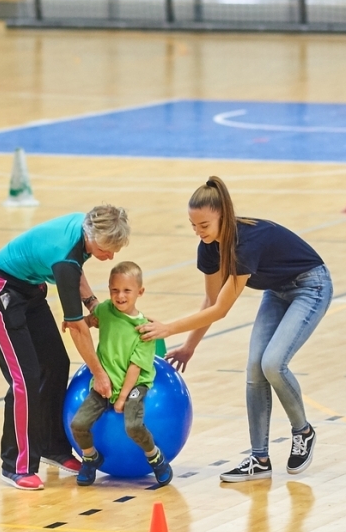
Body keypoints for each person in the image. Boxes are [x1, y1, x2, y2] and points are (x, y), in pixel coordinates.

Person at [139, 177, 332, 483]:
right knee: (255, 370)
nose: (198, 231)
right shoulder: (208, 248)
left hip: (311, 286)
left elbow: (222, 310)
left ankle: (303, 431)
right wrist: (189, 346)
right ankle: (259, 459)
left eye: (204, 224)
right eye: (193, 225)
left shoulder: (246, 241)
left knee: (273, 364)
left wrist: (169, 329)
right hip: (277, 291)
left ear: (223, 216)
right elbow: (211, 301)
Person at [0, 205, 130, 491]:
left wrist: (93, 303)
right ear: (93, 236)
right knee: (25, 378)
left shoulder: (85, 228)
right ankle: (15, 465)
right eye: (108, 248)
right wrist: (99, 373)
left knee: (55, 364)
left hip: (29, 290)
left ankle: (52, 447)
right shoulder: (65, 259)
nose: (111, 257)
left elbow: (76, 268)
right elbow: (78, 329)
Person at [70, 261, 172, 487]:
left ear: (140, 292)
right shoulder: (105, 310)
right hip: (105, 383)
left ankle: (155, 457)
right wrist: (76, 323)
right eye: (115, 290)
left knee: (133, 426)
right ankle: (90, 457)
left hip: (134, 385)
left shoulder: (144, 329)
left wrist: (123, 398)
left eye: (127, 290)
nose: (120, 296)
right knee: (78, 424)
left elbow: (135, 368)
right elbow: (91, 320)